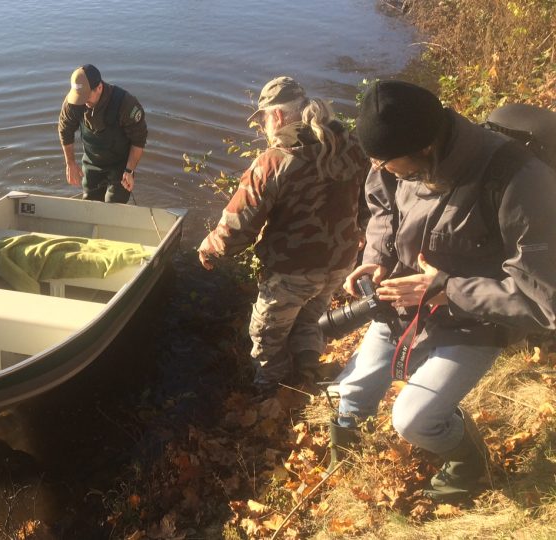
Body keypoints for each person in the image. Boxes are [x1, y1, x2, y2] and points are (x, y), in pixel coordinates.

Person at [332, 80, 556, 500]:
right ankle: (346, 455)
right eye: (375, 160)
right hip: (409, 299)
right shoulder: (394, 152)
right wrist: (378, 257)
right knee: (352, 389)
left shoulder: (519, 184)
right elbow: (382, 205)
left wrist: (449, 290)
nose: (379, 168)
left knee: (413, 419)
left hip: (478, 319)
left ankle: (469, 463)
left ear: (427, 150)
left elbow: (545, 301)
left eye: (389, 163)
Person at [197, 76, 369, 394]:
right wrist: (358, 234)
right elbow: (369, 200)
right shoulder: (350, 145)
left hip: (292, 273)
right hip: (339, 263)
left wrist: (210, 248)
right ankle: (308, 372)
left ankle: (271, 395)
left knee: (266, 338)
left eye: (262, 120)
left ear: (276, 116)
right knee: (308, 320)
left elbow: (238, 228)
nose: (263, 129)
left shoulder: (273, 162)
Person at [57, 64, 148, 203]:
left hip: (120, 165)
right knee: (89, 203)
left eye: (86, 96)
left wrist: (129, 171)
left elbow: (139, 140)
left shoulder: (125, 104)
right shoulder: (73, 102)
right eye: (78, 97)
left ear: (99, 87)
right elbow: (65, 130)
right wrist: (70, 163)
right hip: (91, 162)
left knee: (113, 206)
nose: (82, 101)